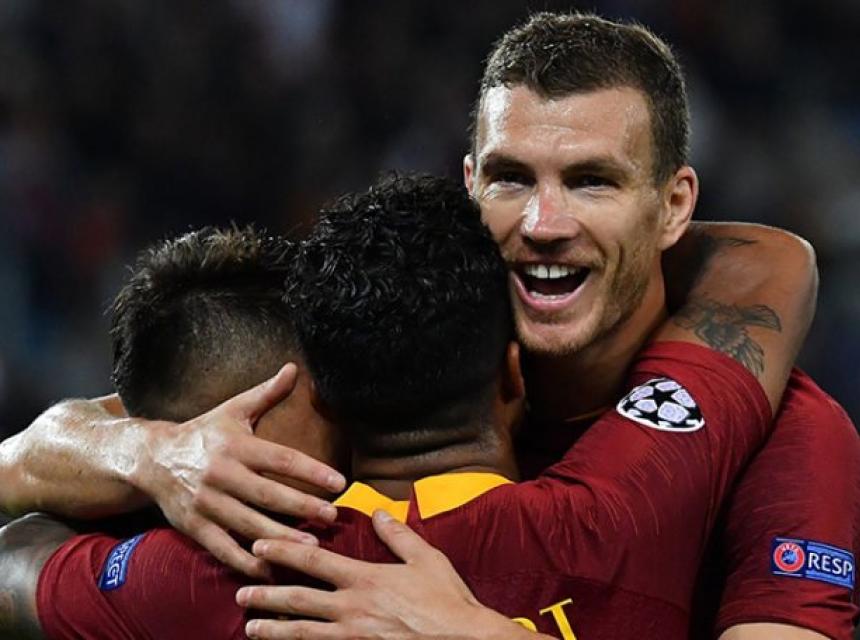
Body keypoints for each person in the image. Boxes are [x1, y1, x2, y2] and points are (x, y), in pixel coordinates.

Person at [0, 10, 854, 640]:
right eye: (513, 178)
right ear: (470, 185)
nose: (545, 223)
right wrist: (147, 452)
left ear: (673, 205)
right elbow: (27, 457)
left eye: (592, 181)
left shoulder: (781, 432)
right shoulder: (390, 348)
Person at [18, 173, 793, 639]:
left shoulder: (236, 579)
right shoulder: (632, 502)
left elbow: (15, 557)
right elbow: (774, 266)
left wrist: (141, 450)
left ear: (323, 390)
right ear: (514, 373)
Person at [0, 226, 347, 639]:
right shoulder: (191, 580)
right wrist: (156, 455)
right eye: (322, 386)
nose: (341, 399)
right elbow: (15, 460)